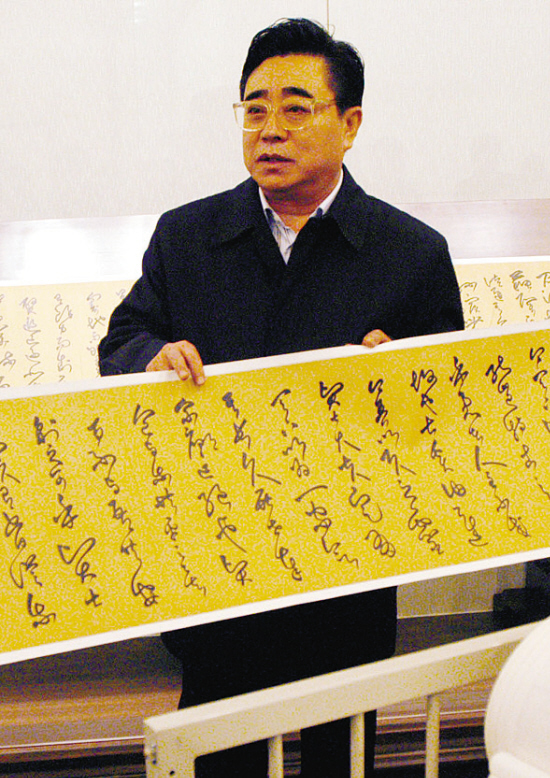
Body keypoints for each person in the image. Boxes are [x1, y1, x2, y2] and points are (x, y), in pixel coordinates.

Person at [99, 18, 464, 777]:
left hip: (347, 560)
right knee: (219, 746)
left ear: (350, 123)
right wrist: (149, 357)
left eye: (296, 108)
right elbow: (123, 340)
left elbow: (447, 415)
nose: (269, 129)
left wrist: (404, 382)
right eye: (254, 108)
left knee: (341, 753)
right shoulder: (187, 236)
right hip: (219, 552)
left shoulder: (412, 252)